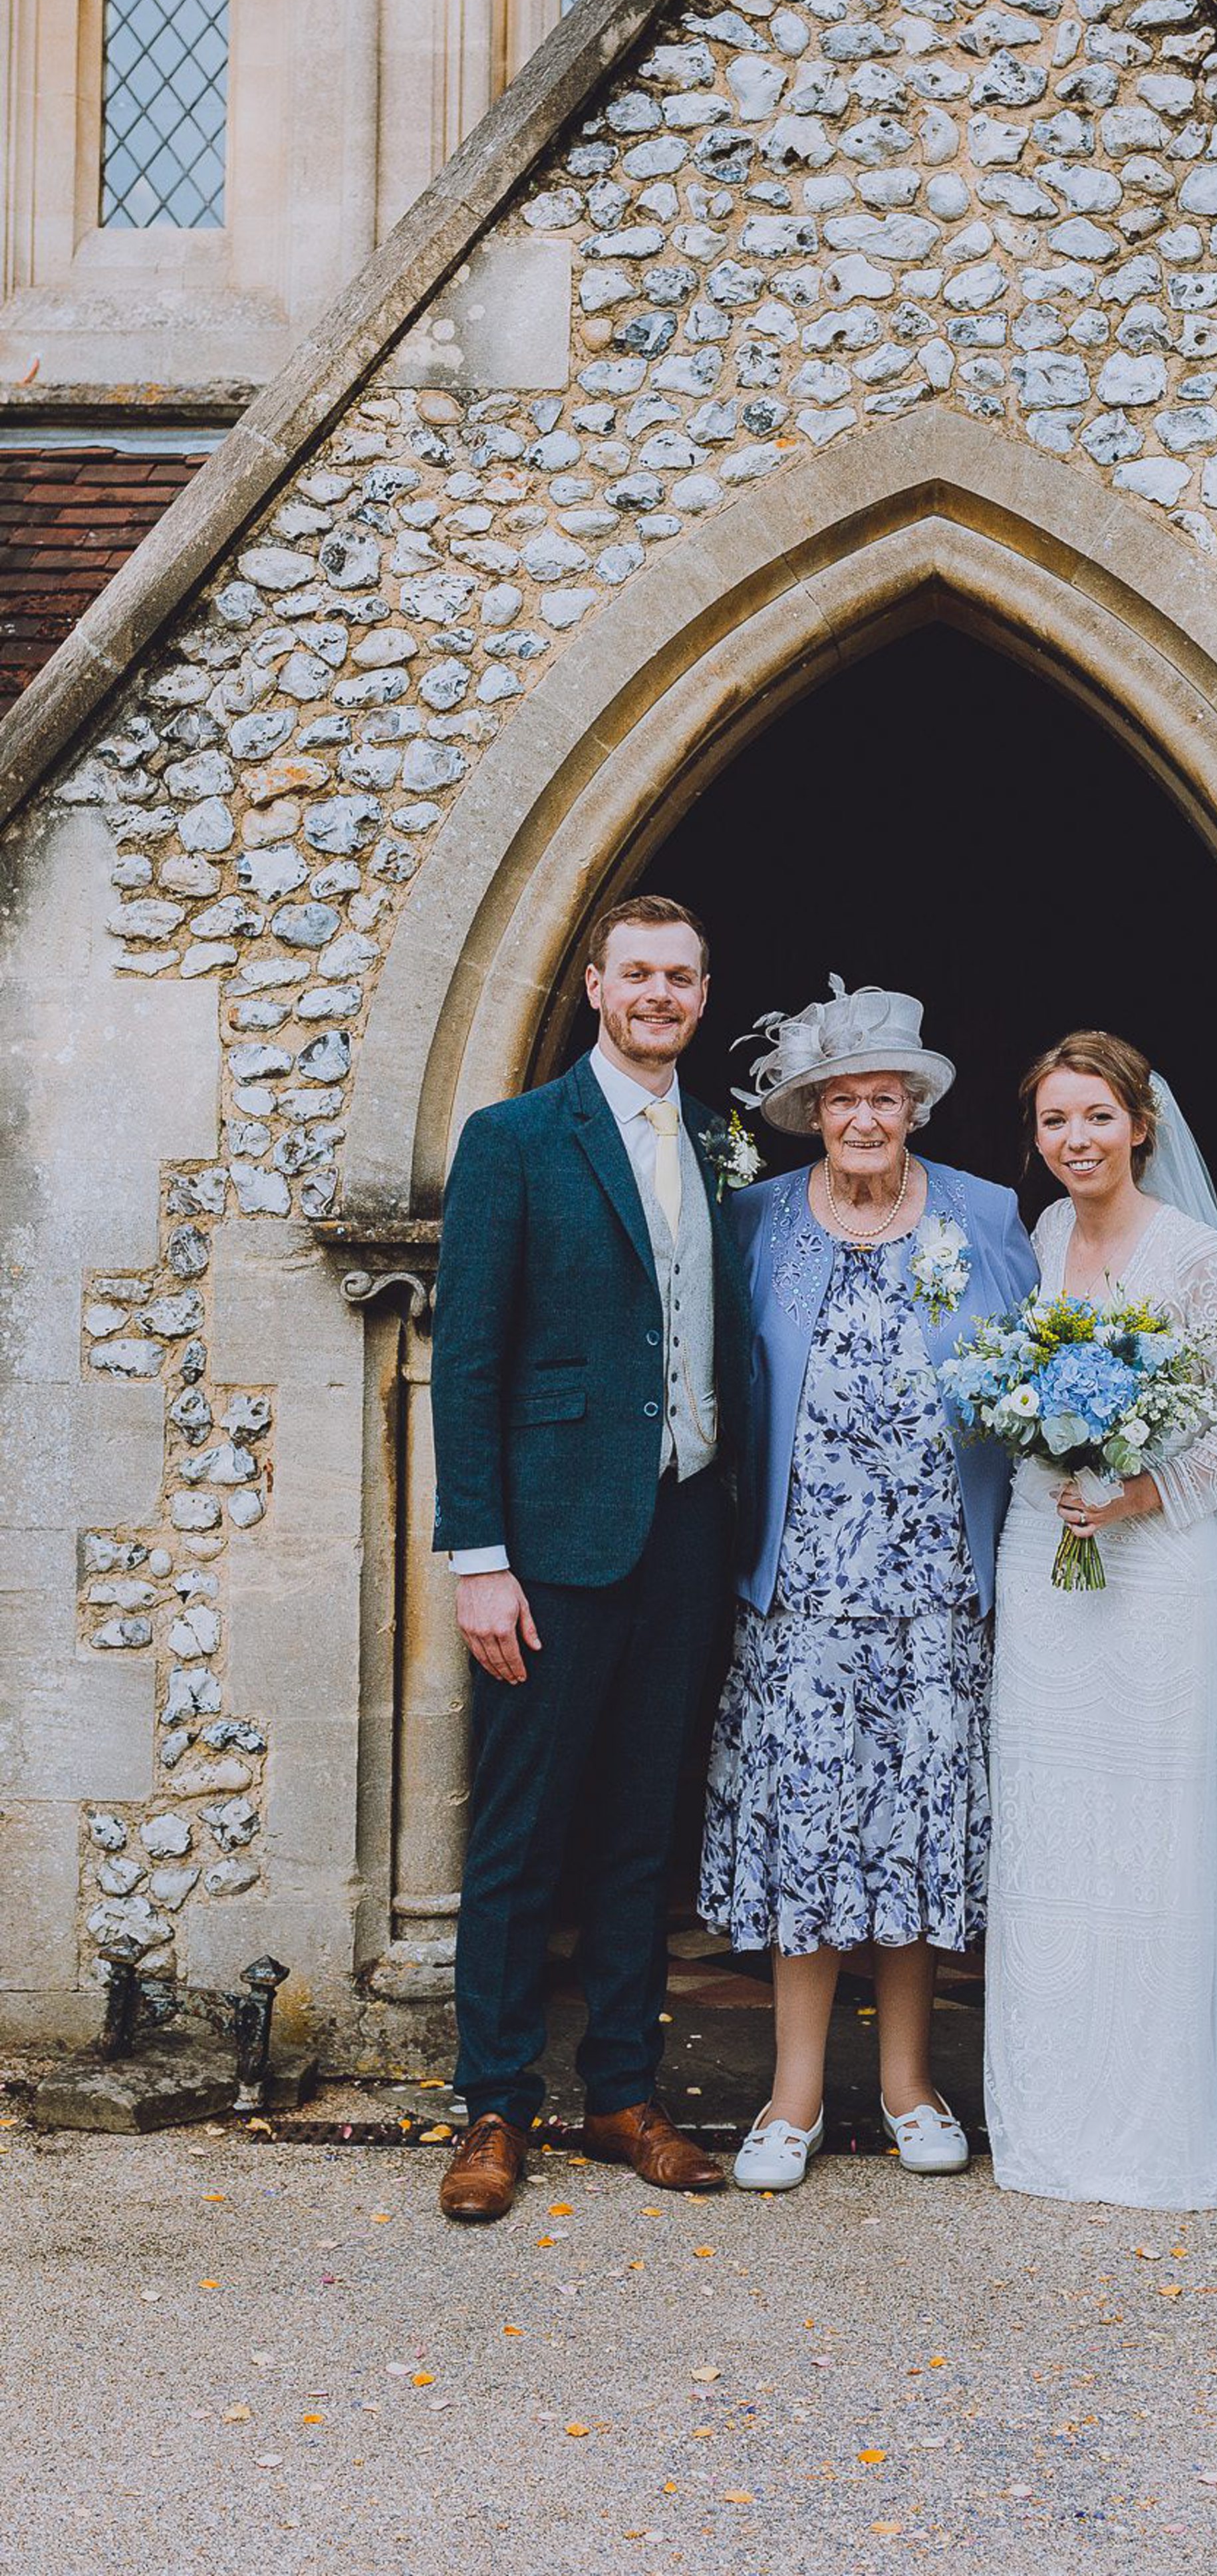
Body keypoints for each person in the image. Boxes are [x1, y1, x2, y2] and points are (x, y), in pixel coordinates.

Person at [427, 895, 751, 2222]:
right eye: (639, 974)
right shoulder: (514, 1140)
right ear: (595, 986)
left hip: (685, 1528)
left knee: (639, 1828)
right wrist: (478, 1555)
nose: (660, 993)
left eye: (682, 974)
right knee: (519, 1833)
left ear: (703, 992)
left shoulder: (720, 1150)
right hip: (551, 1539)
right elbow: (468, 1360)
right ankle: (494, 2105)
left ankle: (622, 2093)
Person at [699, 984, 1037, 2191]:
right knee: (808, 1835)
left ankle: (908, 2084)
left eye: (885, 1097)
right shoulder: (753, 1221)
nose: (865, 1116)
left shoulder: (990, 1213)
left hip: (938, 1586)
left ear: (914, 1108)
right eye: (842, 1098)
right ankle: (790, 2097)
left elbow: (1043, 1361)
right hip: (798, 1594)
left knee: (914, 1835)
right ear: (811, 1112)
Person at [984, 1032, 1217, 2210]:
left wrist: (1138, 1493)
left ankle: (1155, 2126)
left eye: (1097, 1117)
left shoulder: (1194, 1254)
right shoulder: (1042, 1238)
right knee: (1055, 1830)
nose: (1076, 1140)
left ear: (1141, 1124)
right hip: (1048, 1560)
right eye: (1057, 1121)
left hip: (1158, 1571)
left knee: (1154, 1842)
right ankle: (1055, 2113)